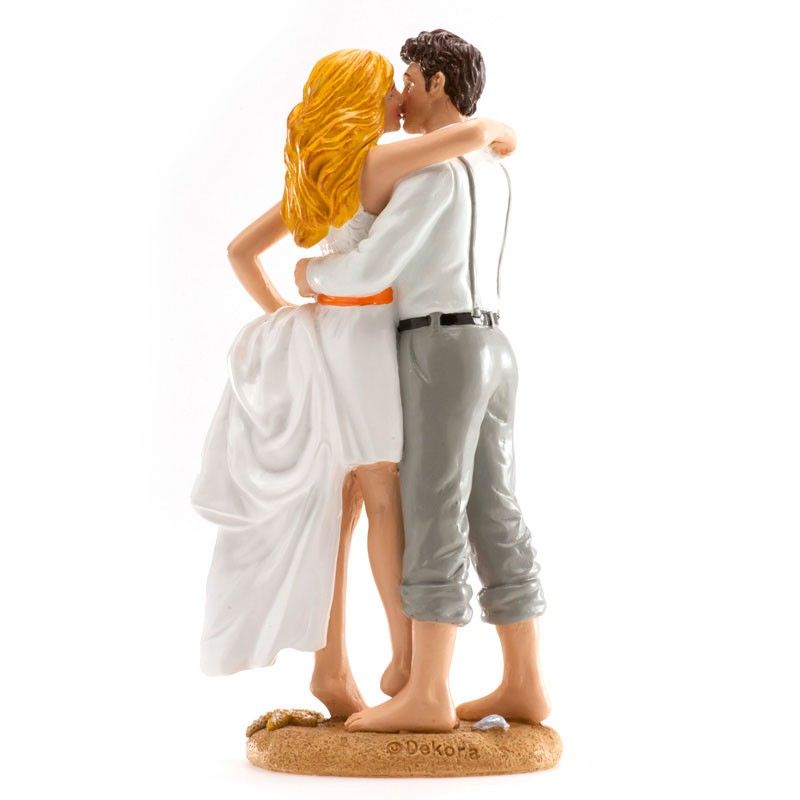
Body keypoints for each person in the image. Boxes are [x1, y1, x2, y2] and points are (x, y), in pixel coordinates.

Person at [190, 47, 516, 719]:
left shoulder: (319, 174)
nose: (400, 98)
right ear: (362, 104)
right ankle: (404, 660)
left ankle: (333, 667)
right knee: (384, 495)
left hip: (328, 336)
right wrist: (492, 129)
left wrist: (289, 313)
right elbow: (467, 138)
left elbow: (240, 251)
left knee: (340, 504)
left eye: (405, 84)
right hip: (367, 339)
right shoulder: (377, 163)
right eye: (389, 90)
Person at [295, 30, 550, 733]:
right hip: (493, 342)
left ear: (438, 83)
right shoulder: (490, 167)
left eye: (408, 80)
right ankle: (524, 682)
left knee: (433, 506)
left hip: (440, 347)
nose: (401, 96)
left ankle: (428, 691)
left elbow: (371, 268)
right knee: (496, 510)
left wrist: (310, 273)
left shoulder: (432, 173)